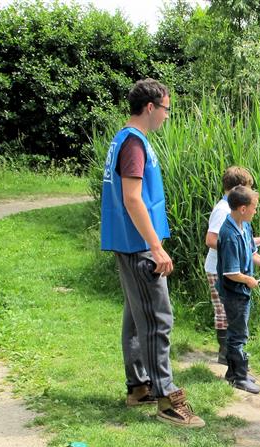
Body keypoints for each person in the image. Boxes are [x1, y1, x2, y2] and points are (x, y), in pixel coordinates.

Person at [100, 78, 204, 428]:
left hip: (130, 243)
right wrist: (156, 247)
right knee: (159, 319)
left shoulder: (124, 139)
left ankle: (139, 386)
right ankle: (166, 399)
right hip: (139, 246)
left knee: (135, 317)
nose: (167, 116)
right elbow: (132, 199)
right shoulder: (133, 143)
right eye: (166, 109)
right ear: (150, 107)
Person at [204, 167, 260, 367]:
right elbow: (211, 239)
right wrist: (233, 249)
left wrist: (258, 241)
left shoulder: (237, 217)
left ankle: (231, 356)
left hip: (231, 269)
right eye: (248, 188)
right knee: (224, 314)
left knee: (229, 315)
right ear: (238, 189)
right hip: (219, 269)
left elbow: (241, 241)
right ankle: (227, 356)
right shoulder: (223, 210)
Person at [216, 185, 260, 394]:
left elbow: (251, 252)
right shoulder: (229, 235)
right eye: (254, 207)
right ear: (243, 209)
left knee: (239, 331)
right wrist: (248, 280)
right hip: (234, 292)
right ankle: (237, 377)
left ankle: (236, 371)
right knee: (238, 334)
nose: (256, 211)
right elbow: (230, 272)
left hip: (241, 291)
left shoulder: (244, 226)